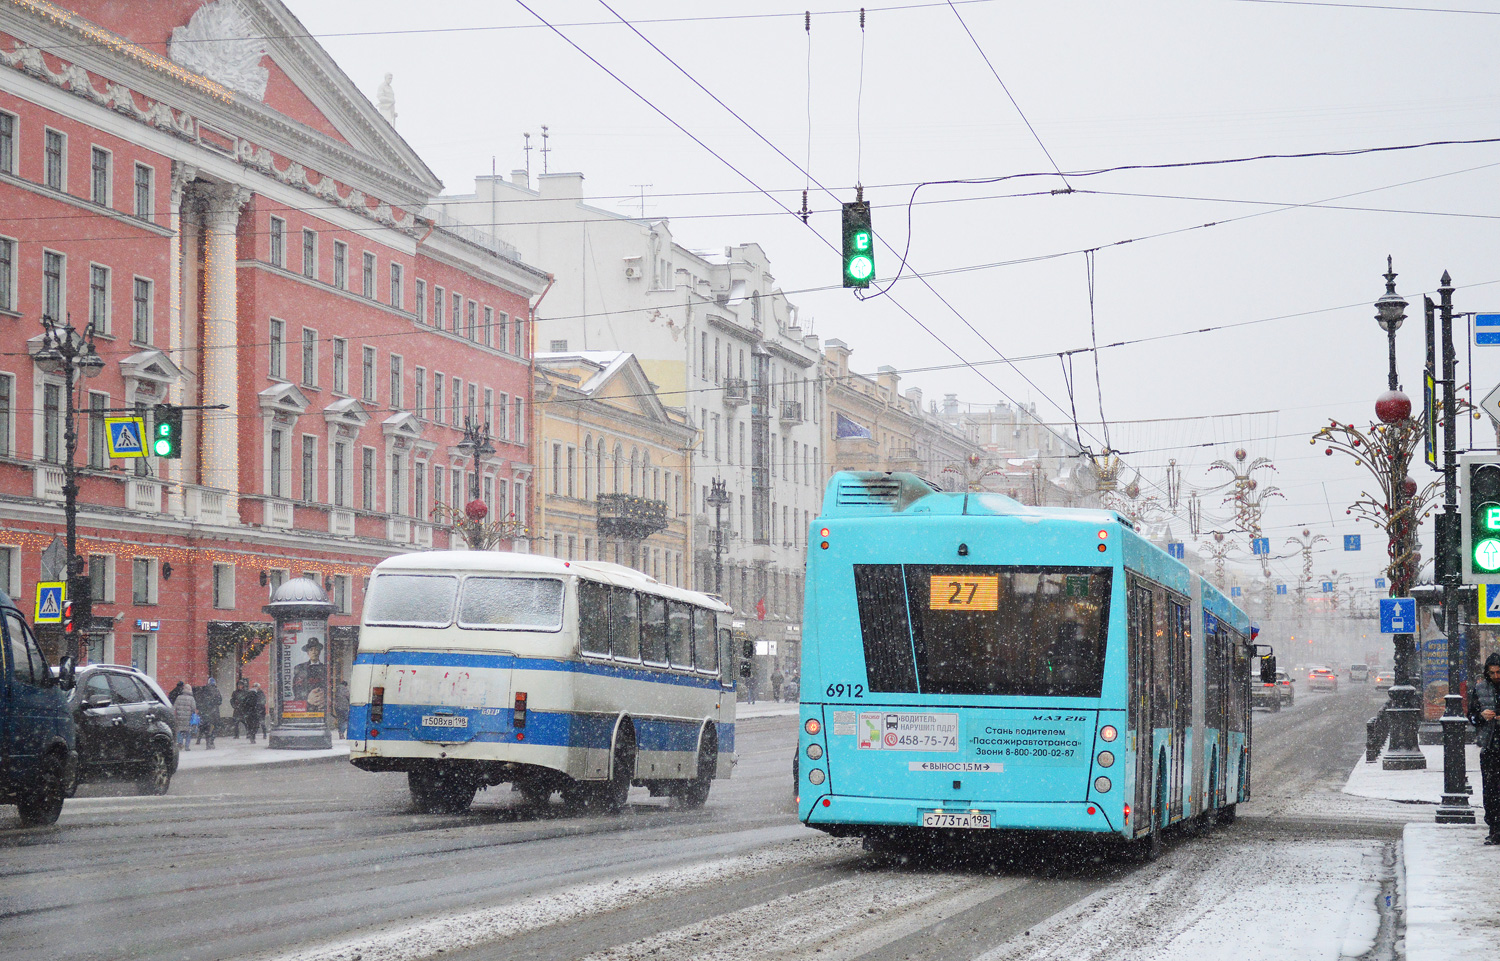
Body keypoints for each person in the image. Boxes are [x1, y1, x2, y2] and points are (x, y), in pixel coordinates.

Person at [1468, 652, 1500, 845]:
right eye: (1493, 673)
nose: (1496, 676)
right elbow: (1471, 716)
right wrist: (1481, 716)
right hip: (1489, 747)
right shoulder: (1479, 689)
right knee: (1491, 790)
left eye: (1499, 672)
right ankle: (1495, 828)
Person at [292, 637, 328, 714]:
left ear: (319, 652)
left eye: (316, 649)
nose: (314, 652)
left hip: (321, 706)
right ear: (308, 653)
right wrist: (307, 699)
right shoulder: (300, 668)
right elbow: (296, 687)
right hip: (304, 707)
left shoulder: (326, 668)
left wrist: (324, 696)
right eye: (311, 650)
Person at [196, 678, 222, 749]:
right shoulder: (216, 691)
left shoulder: (203, 690)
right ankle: (211, 740)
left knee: (206, 727)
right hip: (214, 712)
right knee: (216, 726)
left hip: (205, 712)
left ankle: (207, 742)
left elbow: (200, 701)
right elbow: (220, 701)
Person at [174, 683, 197, 752]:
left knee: (180, 731)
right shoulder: (191, 698)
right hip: (188, 717)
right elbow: (194, 708)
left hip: (179, 717)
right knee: (188, 732)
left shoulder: (179, 697)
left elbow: (175, 707)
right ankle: (187, 746)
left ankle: (180, 743)